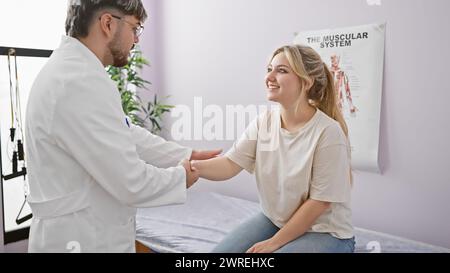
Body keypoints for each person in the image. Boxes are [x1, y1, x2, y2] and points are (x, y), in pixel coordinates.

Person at [24, 0, 220, 253]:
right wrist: (181, 177)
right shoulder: (78, 81)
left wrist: (183, 155)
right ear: (107, 24)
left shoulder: (74, 72)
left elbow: (124, 132)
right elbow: (131, 182)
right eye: (135, 28)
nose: (136, 40)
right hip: (82, 239)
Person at [192, 45, 355, 253]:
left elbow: (319, 202)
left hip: (325, 232)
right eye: (269, 69)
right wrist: (193, 166)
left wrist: (274, 243)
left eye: (282, 70)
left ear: (306, 82)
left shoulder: (328, 133)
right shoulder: (265, 123)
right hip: (276, 220)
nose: (270, 76)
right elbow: (229, 165)